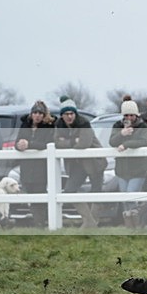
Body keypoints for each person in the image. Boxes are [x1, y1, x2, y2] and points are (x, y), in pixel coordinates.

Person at [54, 96, 106, 228]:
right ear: (62, 115)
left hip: (94, 162)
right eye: (66, 114)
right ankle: (90, 222)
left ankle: (91, 224)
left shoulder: (84, 123)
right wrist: (73, 142)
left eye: (72, 113)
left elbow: (84, 143)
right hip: (77, 164)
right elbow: (56, 142)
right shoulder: (59, 125)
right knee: (69, 191)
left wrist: (66, 142)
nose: (69, 116)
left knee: (96, 192)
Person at [14, 101, 57, 226]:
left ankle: (41, 222)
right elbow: (17, 141)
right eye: (35, 113)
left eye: (40, 113)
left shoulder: (49, 127)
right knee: (30, 194)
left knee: (40, 194)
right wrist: (19, 145)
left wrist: (30, 145)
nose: (37, 115)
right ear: (31, 114)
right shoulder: (24, 125)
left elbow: (48, 144)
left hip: (41, 168)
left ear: (44, 115)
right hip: (26, 167)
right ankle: (36, 221)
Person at [109, 96, 147, 227]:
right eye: (126, 115)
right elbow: (112, 142)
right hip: (122, 169)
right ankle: (130, 227)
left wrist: (126, 143)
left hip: (138, 169)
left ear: (136, 114)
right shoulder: (117, 126)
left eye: (132, 115)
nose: (129, 118)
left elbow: (144, 141)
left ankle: (138, 224)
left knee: (131, 195)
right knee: (124, 199)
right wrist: (122, 134)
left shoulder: (142, 125)